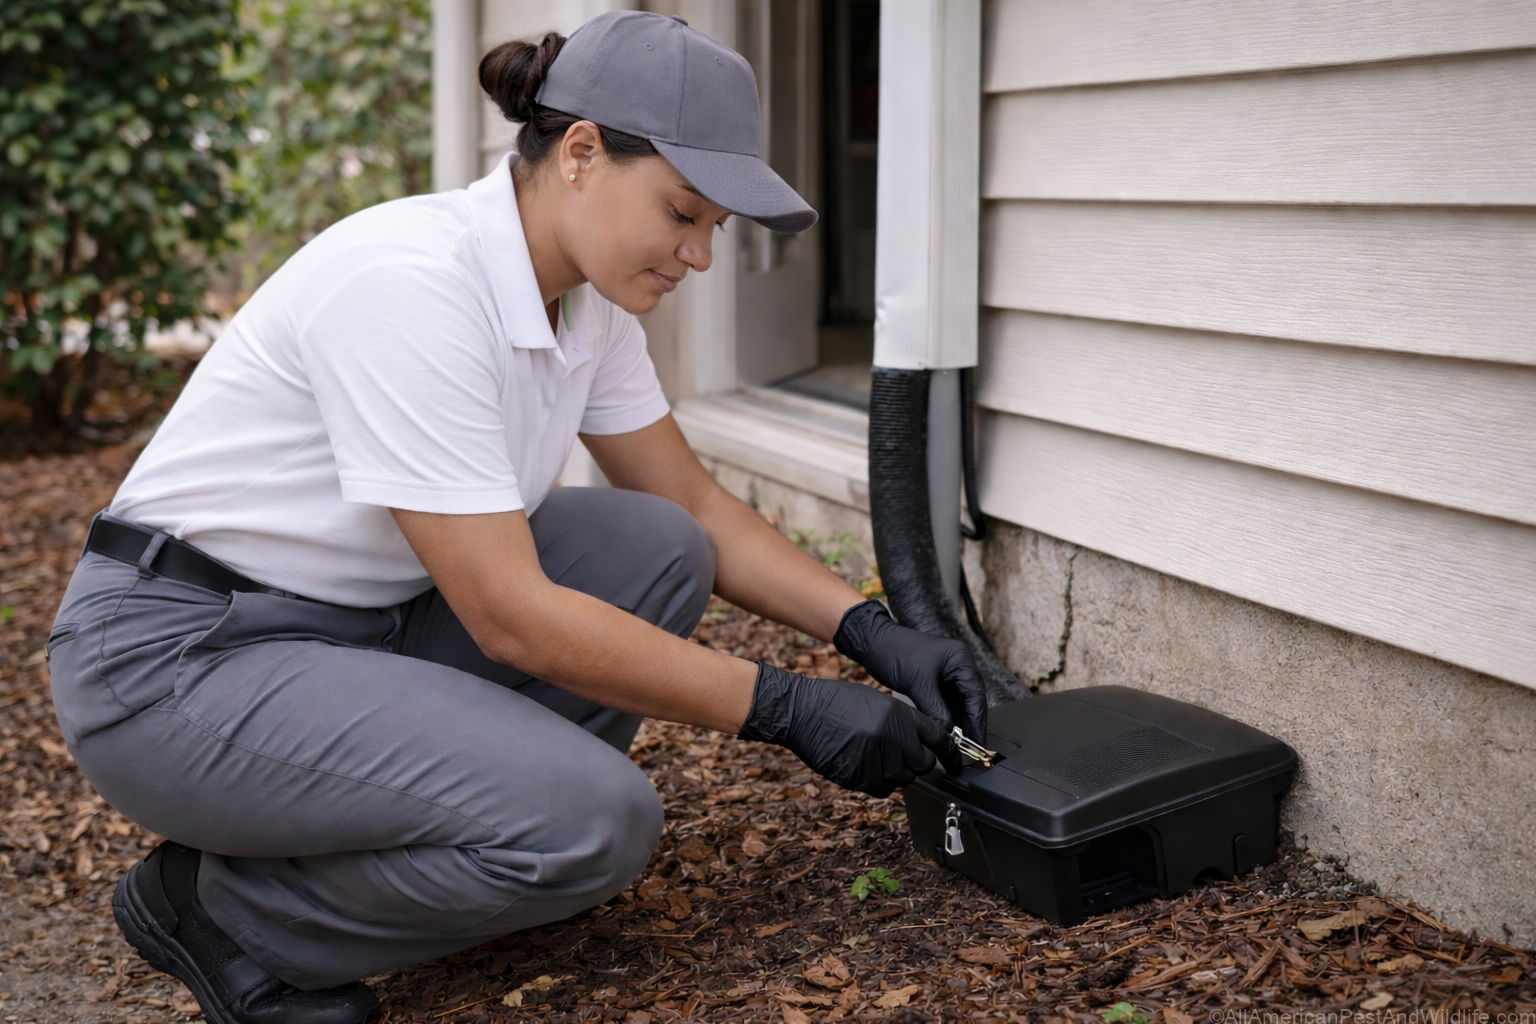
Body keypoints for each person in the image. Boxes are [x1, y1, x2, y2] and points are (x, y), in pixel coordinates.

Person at [47, 12, 986, 1024]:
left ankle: (452, 826)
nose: (700, 257)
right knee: (596, 823)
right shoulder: (413, 285)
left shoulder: (587, 303)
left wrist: (872, 630)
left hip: (352, 631)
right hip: (178, 660)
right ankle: (230, 910)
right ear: (580, 152)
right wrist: (787, 707)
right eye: (682, 212)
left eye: (714, 228)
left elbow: (696, 506)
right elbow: (507, 613)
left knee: (659, 546)